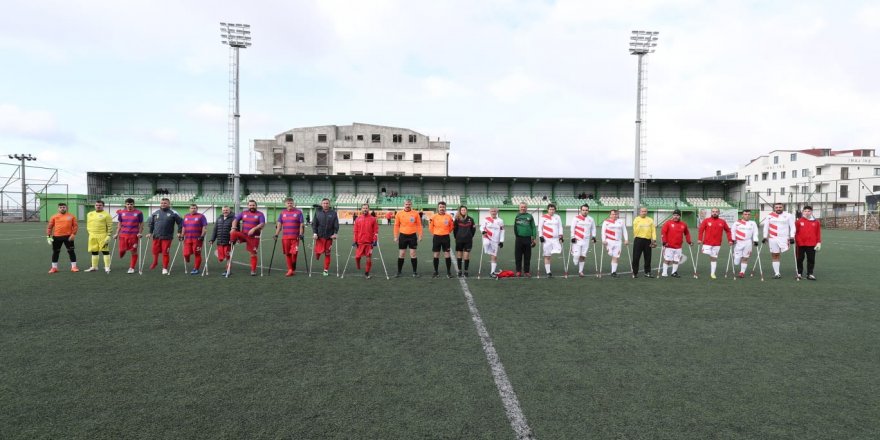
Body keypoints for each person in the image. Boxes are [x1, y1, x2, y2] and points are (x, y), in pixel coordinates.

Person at [147, 197, 183, 275]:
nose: (163, 204)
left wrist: (179, 232)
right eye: (162, 203)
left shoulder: (174, 212)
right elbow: (151, 223)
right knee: (154, 251)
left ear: (169, 204)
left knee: (165, 253)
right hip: (156, 236)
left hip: (167, 237)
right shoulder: (155, 212)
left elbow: (181, 223)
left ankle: (164, 268)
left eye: (165, 203)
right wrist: (150, 232)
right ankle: (155, 262)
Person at [231, 200, 266, 276]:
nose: (252, 207)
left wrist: (254, 229)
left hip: (254, 237)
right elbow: (235, 220)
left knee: (253, 254)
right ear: (248, 206)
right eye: (250, 205)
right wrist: (233, 227)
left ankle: (253, 270)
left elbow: (262, 224)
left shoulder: (260, 214)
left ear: (256, 206)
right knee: (233, 233)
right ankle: (234, 242)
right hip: (244, 235)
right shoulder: (244, 213)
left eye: (253, 205)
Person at [761, 202, 796, 279]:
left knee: (781, 253)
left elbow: (793, 227)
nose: (778, 209)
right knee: (775, 254)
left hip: (784, 238)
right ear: (774, 208)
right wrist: (764, 237)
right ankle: (777, 273)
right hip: (773, 238)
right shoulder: (769, 216)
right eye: (776, 207)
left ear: (783, 207)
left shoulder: (788, 216)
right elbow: (766, 227)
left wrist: (792, 236)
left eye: (780, 207)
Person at [698, 207, 733, 279]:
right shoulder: (706, 220)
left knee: (713, 258)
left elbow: (728, 231)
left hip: (717, 244)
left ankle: (712, 273)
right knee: (708, 254)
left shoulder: (722, 221)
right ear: (711, 212)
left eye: (716, 211)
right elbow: (701, 230)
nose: (715, 213)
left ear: (719, 213)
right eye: (713, 211)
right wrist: (699, 239)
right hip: (707, 243)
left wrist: (730, 240)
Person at [275, 197, 305, 277]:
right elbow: (279, 225)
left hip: (295, 237)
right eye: (288, 203)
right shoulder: (282, 213)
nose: (290, 204)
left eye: (291, 203)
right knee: (288, 254)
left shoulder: (299, 212)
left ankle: (292, 267)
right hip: (285, 237)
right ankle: (290, 269)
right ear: (285, 204)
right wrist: (276, 234)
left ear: (293, 203)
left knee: (294, 253)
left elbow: (301, 225)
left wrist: (301, 234)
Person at [393, 199, 423, 277]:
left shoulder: (415, 213)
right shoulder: (399, 214)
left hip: (412, 236)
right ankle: (399, 272)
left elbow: (419, 225)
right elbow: (396, 225)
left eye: (409, 204)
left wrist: (420, 235)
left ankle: (414, 272)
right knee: (402, 254)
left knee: (413, 254)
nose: (407, 205)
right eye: (406, 204)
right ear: (404, 205)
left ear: (411, 205)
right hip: (403, 236)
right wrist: (396, 236)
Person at [46, 202, 79, 273]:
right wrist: (48, 236)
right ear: (58, 208)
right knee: (56, 252)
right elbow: (49, 227)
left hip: (68, 237)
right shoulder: (54, 217)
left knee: (71, 251)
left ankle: (74, 267)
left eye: (63, 207)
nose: (62, 208)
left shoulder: (71, 216)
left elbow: (75, 226)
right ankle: (54, 268)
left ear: (66, 208)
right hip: (57, 237)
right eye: (60, 207)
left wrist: (73, 234)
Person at [114, 198, 143, 274]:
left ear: (134, 204)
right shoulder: (121, 213)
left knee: (133, 251)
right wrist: (116, 233)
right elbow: (119, 224)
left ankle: (131, 268)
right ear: (125, 204)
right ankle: (122, 253)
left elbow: (141, 224)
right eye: (128, 204)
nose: (129, 205)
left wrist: (140, 232)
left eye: (131, 204)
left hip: (134, 235)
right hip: (123, 235)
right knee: (122, 250)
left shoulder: (139, 213)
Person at [660, 209, 692, 277]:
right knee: (667, 260)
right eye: (674, 215)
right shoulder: (668, 223)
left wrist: (689, 241)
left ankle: (674, 273)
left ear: (680, 216)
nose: (676, 216)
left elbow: (687, 233)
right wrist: (664, 241)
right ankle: (664, 273)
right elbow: (663, 232)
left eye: (677, 215)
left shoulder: (683, 224)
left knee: (676, 260)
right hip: (668, 246)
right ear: (672, 215)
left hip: (678, 247)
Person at [311, 198, 339, 277]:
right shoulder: (318, 212)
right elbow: (314, 224)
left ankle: (325, 270)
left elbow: (336, 224)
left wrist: (335, 233)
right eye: (324, 203)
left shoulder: (333, 213)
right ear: (321, 204)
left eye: (327, 203)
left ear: (329, 204)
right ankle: (318, 253)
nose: (325, 205)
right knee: (318, 251)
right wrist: (315, 233)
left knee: (327, 254)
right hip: (319, 236)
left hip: (329, 237)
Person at [85, 200, 113, 273]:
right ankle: (94, 267)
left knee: (105, 251)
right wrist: (90, 233)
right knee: (94, 251)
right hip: (92, 235)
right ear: (95, 206)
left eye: (100, 205)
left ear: (103, 206)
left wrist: (109, 235)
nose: (98, 206)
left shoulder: (107, 215)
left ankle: (107, 267)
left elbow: (110, 226)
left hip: (102, 235)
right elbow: (88, 224)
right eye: (97, 205)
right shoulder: (89, 214)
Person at [794, 205, 821, 280]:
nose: (807, 213)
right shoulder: (798, 222)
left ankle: (810, 274)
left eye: (809, 211)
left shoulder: (816, 222)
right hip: (800, 244)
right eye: (805, 211)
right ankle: (799, 273)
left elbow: (818, 233)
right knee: (799, 259)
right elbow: (795, 232)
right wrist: (795, 240)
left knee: (811, 259)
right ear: (803, 212)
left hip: (812, 244)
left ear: (811, 212)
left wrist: (818, 242)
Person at [352, 203, 379, 278]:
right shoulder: (358, 219)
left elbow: (375, 231)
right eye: (363, 208)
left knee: (368, 258)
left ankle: (367, 272)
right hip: (360, 242)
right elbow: (355, 231)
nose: (365, 209)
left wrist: (375, 240)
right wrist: (355, 240)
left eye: (366, 208)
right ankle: (358, 266)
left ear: (368, 209)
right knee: (357, 257)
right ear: (361, 209)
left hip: (369, 243)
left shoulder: (373, 219)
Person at [570, 204, 597, 277]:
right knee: (577, 255)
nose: (585, 211)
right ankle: (575, 257)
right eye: (583, 210)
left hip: (586, 240)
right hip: (577, 239)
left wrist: (593, 236)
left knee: (583, 256)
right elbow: (572, 228)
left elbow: (593, 228)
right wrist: (572, 237)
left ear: (588, 210)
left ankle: (580, 271)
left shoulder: (591, 219)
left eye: (586, 210)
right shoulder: (576, 218)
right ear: (581, 210)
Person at [429, 201, 455, 278]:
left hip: (446, 237)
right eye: (440, 207)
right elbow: (431, 227)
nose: (442, 208)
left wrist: (446, 232)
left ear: (445, 208)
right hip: (436, 237)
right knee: (436, 254)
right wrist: (436, 233)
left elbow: (451, 227)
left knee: (447, 254)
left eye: (443, 207)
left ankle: (448, 272)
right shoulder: (433, 217)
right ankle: (436, 272)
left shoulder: (449, 217)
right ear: (438, 208)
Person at [731, 209, 760, 278]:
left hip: (748, 242)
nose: (747, 216)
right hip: (738, 242)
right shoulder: (737, 223)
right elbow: (733, 231)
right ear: (742, 215)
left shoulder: (753, 223)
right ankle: (736, 256)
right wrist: (733, 239)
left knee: (745, 257)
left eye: (748, 214)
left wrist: (755, 240)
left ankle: (742, 272)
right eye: (745, 214)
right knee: (736, 262)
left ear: (750, 215)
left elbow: (755, 232)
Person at [181, 204, 208, 275]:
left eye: (194, 208)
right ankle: (188, 259)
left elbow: (204, 227)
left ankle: (196, 269)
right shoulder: (186, 216)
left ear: (197, 209)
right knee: (186, 254)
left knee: (197, 254)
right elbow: (184, 227)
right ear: (189, 209)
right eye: (191, 208)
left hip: (197, 239)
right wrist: (182, 235)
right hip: (187, 239)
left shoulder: (201, 216)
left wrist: (202, 236)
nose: (193, 209)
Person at [601, 209, 629, 277]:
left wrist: (626, 239)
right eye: (613, 214)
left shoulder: (621, 221)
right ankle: (613, 271)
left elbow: (624, 231)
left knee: (615, 257)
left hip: (618, 242)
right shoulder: (606, 222)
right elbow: (603, 232)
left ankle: (613, 272)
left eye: (616, 214)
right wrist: (603, 240)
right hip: (609, 241)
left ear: (618, 215)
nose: (614, 215)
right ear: (610, 215)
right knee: (610, 254)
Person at [538, 203, 563, 277]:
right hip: (546, 239)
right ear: (547, 210)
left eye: (553, 209)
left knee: (558, 251)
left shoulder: (557, 217)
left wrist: (561, 236)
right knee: (547, 255)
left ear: (555, 210)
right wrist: (541, 236)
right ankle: (548, 272)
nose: (551, 211)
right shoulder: (543, 217)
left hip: (555, 239)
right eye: (550, 209)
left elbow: (560, 227)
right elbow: (540, 227)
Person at [479, 207, 505, 277]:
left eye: (495, 211)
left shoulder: (500, 221)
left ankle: (492, 272)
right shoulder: (486, 219)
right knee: (486, 243)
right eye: (492, 211)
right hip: (487, 237)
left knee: (494, 256)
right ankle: (488, 251)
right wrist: (483, 231)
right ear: (490, 212)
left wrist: (501, 241)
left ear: (497, 212)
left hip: (495, 240)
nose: (493, 212)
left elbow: (502, 231)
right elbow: (481, 227)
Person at [631, 207, 657, 278]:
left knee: (648, 257)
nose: (644, 212)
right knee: (636, 257)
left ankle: (647, 272)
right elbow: (635, 230)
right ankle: (634, 272)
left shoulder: (650, 220)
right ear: (640, 212)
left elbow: (653, 230)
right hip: (638, 240)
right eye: (642, 211)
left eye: (645, 211)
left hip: (648, 241)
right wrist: (642, 226)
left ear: (647, 212)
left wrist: (654, 240)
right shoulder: (636, 219)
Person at [513, 202, 537, 277]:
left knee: (527, 256)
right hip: (519, 238)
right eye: (522, 207)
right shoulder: (517, 216)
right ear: (519, 208)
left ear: (526, 208)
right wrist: (517, 236)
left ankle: (526, 271)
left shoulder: (530, 216)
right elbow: (515, 227)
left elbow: (533, 227)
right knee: (518, 255)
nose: (523, 208)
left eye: (524, 207)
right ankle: (518, 271)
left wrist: (534, 238)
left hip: (528, 238)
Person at [453, 206, 476, 277]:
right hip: (459, 240)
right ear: (460, 211)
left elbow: (473, 229)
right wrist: (456, 237)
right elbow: (455, 230)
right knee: (459, 255)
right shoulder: (457, 219)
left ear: (466, 211)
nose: (463, 211)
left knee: (466, 256)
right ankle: (459, 270)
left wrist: (470, 236)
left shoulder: (471, 219)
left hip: (468, 240)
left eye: (464, 210)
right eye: (462, 210)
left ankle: (466, 271)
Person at [210, 206, 235, 272]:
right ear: (222, 211)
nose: (225, 211)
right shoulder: (219, 218)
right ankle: (225, 262)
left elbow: (236, 230)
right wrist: (212, 239)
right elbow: (215, 229)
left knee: (227, 256)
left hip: (228, 242)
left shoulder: (233, 219)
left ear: (229, 210)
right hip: (220, 241)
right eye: (224, 210)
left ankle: (228, 270)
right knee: (221, 258)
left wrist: (233, 239)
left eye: (226, 210)